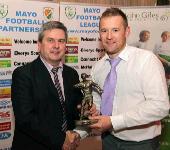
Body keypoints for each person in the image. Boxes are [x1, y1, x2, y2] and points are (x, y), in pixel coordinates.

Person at [89, 7, 170, 150]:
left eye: (115, 30)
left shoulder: (146, 60)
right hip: (108, 140)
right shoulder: (97, 68)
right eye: (104, 30)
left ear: (127, 31)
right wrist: (93, 110)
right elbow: (97, 101)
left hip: (142, 144)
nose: (109, 36)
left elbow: (160, 106)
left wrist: (114, 122)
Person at [11, 21, 84, 150]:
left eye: (61, 41)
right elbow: (26, 119)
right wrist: (62, 140)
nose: (56, 46)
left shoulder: (72, 74)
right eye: (50, 40)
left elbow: (75, 110)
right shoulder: (23, 74)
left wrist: (85, 111)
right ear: (39, 45)